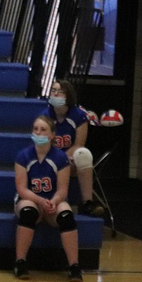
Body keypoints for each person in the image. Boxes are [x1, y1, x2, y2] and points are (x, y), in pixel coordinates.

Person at [13, 115, 83, 282]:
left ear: (52, 135)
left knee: (66, 216)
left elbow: (63, 190)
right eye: (36, 129)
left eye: (43, 130)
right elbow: (22, 189)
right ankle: (20, 262)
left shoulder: (60, 158)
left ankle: (74, 266)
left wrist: (54, 201)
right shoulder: (23, 156)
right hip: (31, 200)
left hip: (52, 202)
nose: (38, 133)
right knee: (28, 212)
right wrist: (41, 201)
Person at [44, 80, 103, 216]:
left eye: (60, 92)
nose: (55, 94)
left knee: (83, 154)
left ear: (68, 95)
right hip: (50, 157)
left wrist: (65, 158)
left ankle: (88, 203)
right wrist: (60, 158)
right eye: (53, 91)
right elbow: (43, 145)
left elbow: (78, 145)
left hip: (70, 158)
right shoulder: (45, 116)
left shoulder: (79, 115)